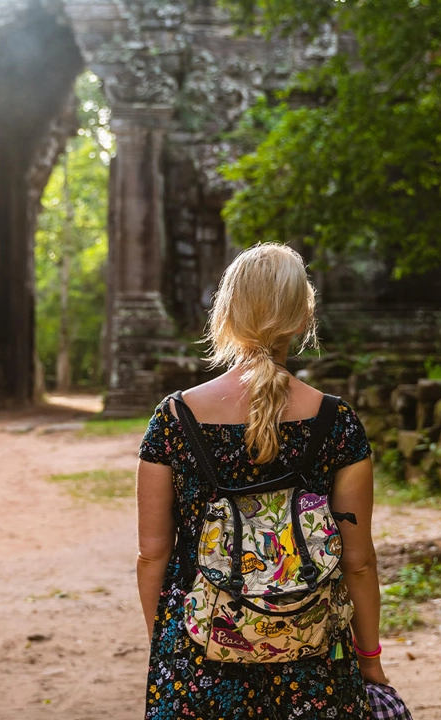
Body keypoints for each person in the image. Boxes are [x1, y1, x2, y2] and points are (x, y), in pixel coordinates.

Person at [136, 243, 389, 719]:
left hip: (200, 652)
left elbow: (153, 553)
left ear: (226, 316)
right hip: (314, 660)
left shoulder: (174, 418)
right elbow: (358, 561)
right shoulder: (338, 422)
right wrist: (369, 659)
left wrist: (170, 641)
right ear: (301, 319)